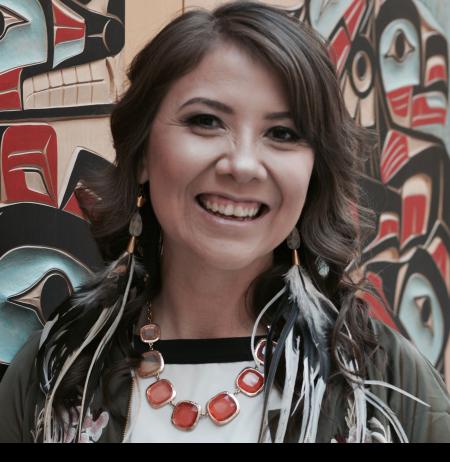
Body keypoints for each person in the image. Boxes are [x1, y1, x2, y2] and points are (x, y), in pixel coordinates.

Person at [0, 1, 449, 443]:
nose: (243, 165)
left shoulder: (384, 383)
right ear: (141, 155)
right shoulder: (56, 373)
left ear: (314, 172)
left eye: (283, 133)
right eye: (206, 121)